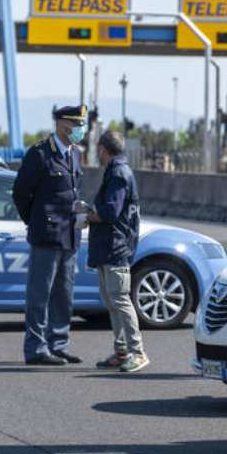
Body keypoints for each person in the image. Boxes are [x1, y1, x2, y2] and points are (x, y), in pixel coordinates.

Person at [12, 105, 88, 365]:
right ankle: (35, 348)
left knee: (64, 295)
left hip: (69, 235)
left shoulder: (75, 154)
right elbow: (21, 194)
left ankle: (58, 343)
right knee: (39, 295)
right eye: (76, 124)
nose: (80, 129)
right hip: (46, 235)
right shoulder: (40, 153)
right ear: (62, 124)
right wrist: (35, 221)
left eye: (81, 124)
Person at [87, 131, 148, 373]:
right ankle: (121, 351)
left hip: (116, 247)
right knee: (112, 301)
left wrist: (88, 216)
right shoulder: (115, 171)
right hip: (107, 247)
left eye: (98, 148)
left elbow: (111, 212)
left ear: (103, 148)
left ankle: (137, 352)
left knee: (120, 300)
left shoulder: (118, 173)